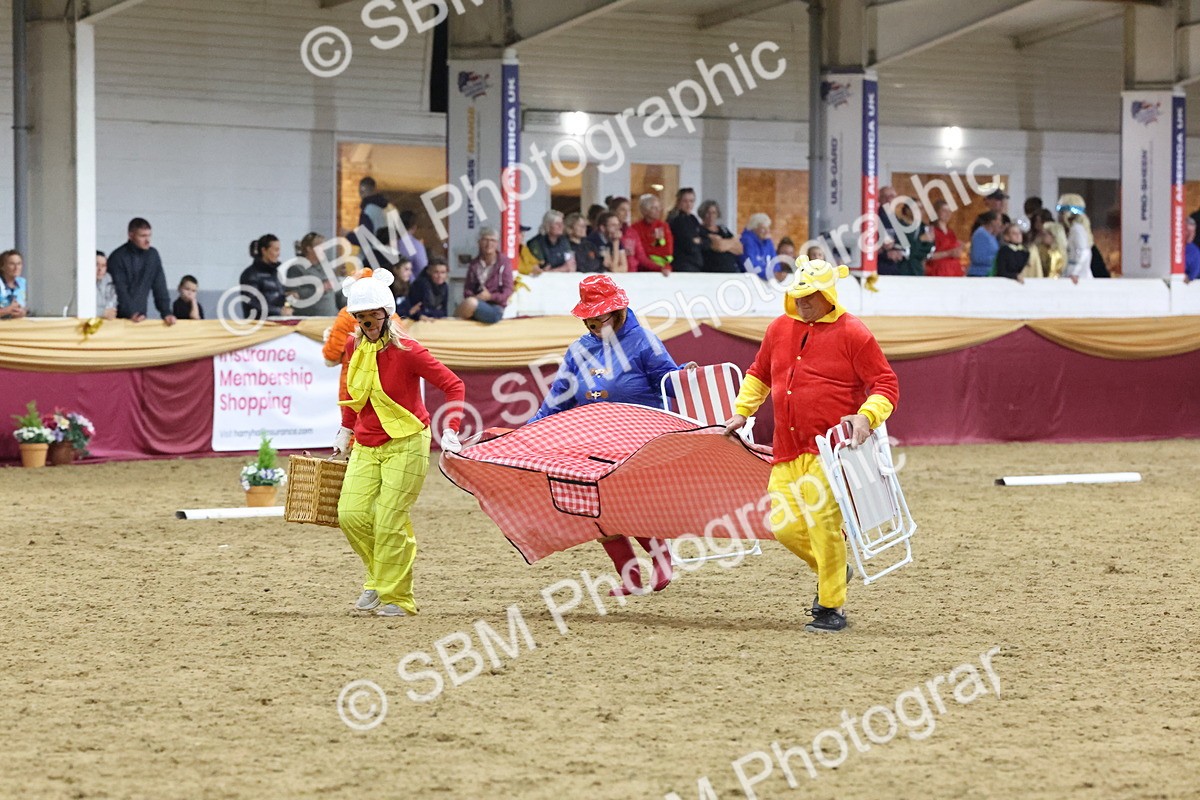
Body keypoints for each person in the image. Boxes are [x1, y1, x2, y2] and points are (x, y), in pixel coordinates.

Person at [724, 259, 899, 633]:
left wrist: (866, 418)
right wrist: (741, 412)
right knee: (783, 526)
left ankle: (830, 607)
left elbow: (886, 385)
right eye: (797, 295)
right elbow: (758, 374)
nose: (802, 302)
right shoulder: (777, 329)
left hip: (830, 452)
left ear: (827, 295)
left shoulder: (855, 333)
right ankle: (833, 568)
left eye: (809, 295)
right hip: (786, 449)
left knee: (822, 524)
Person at [529, 275, 698, 596]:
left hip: (640, 438)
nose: (594, 323)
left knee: (624, 500)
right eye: (589, 318)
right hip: (591, 439)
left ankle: (661, 557)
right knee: (591, 505)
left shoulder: (644, 341)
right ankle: (630, 577)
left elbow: (669, 383)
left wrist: (685, 376)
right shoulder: (578, 349)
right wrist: (528, 434)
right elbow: (558, 398)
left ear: (618, 311)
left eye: (600, 316)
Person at [332, 269, 466, 617]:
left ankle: (396, 597)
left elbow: (454, 386)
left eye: (371, 315)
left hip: (408, 442)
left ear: (387, 313)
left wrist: (450, 428)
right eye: (359, 316)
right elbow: (350, 391)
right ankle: (379, 577)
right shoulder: (352, 345)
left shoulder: (409, 350)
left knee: (388, 519)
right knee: (351, 515)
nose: (365, 322)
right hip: (366, 442)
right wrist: (346, 430)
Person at [107, 218, 176, 324]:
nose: (147, 240)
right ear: (130, 235)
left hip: (140, 317)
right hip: (118, 318)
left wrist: (166, 312)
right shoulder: (118, 257)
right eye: (142, 236)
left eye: (149, 235)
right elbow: (120, 290)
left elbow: (160, 287)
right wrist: (131, 313)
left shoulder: (153, 256)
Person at [458, 228, 515, 324]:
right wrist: (477, 297)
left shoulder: (504, 262)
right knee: (470, 303)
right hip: (476, 303)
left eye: (492, 240)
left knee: (470, 303)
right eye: (485, 240)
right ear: (479, 242)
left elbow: (508, 291)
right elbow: (467, 290)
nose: (489, 244)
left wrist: (490, 297)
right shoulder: (474, 264)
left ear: (497, 243)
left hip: (496, 308)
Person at [240, 235, 292, 319]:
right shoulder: (251, 274)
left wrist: (288, 296)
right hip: (259, 324)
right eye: (276, 250)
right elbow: (251, 302)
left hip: (277, 321)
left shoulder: (277, 272)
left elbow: (277, 294)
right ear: (264, 250)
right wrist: (278, 311)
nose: (278, 254)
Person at [288, 233, 338, 317]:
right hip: (309, 320)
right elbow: (291, 297)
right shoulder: (297, 268)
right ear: (309, 249)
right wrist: (319, 288)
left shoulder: (326, 266)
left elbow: (337, 291)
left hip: (332, 317)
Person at [630, 194, 674, 274]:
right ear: (644, 211)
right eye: (653, 208)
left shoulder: (664, 226)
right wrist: (655, 247)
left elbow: (668, 251)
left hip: (664, 269)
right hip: (642, 270)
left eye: (659, 207)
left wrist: (653, 248)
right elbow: (641, 253)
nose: (658, 210)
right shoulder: (635, 228)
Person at [607, 196, 652, 272]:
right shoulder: (608, 231)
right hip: (613, 272)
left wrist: (659, 267)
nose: (626, 213)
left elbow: (641, 256)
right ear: (614, 211)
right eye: (622, 210)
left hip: (632, 273)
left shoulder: (632, 232)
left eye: (628, 210)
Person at [1057, 193, 1094, 284]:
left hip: (1078, 278)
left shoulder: (1077, 230)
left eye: (1060, 212)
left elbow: (1084, 252)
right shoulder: (1075, 230)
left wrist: (1074, 273)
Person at [698, 200, 742, 273]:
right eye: (708, 213)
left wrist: (724, 243)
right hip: (712, 272)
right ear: (703, 214)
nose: (711, 216)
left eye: (714, 213)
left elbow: (739, 249)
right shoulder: (700, 230)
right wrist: (732, 242)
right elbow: (719, 246)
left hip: (730, 271)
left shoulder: (723, 229)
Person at [668, 188, 704, 272]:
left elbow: (704, 238)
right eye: (685, 201)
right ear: (679, 202)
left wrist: (699, 241)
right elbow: (688, 244)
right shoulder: (676, 219)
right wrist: (696, 241)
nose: (689, 204)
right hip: (683, 264)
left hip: (695, 263)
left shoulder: (693, 218)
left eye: (691, 201)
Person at [925, 200, 963, 277]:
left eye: (949, 211)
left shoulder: (951, 232)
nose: (948, 214)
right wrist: (948, 253)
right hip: (938, 271)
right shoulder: (931, 231)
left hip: (954, 270)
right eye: (944, 211)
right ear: (936, 212)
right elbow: (927, 255)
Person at [876, 186, 907, 274]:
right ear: (879, 199)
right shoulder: (872, 219)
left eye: (892, 196)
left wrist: (899, 252)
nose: (888, 199)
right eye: (885, 196)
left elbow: (906, 247)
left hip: (897, 269)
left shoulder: (900, 221)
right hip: (878, 268)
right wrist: (884, 251)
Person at [740, 213, 777, 280]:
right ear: (754, 229)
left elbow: (776, 264)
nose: (767, 231)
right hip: (748, 282)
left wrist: (776, 273)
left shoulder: (768, 241)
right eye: (763, 228)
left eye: (768, 227)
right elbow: (750, 267)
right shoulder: (746, 242)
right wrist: (770, 275)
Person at [968, 211, 1002, 277]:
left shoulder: (992, 236)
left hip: (989, 273)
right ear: (993, 222)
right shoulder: (980, 234)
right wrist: (997, 260)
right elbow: (977, 257)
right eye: (999, 220)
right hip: (979, 274)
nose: (1000, 223)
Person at [398, 210, 429, 276]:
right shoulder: (416, 246)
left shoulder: (389, 242)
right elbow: (422, 269)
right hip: (411, 284)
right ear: (414, 227)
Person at [0, 250, 27, 320]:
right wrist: (6, 311)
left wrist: (22, 312)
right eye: (12, 264)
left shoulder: (21, 282)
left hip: (14, 327)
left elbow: (22, 307)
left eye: (19, 264)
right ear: (2, 266)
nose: (16, 268)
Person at [95, 251, 118, 320]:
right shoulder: (82, 283)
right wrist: (102, 312)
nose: (100, 269)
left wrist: (109, 312)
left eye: (103, 266)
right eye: (96, 265)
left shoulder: (108, 278)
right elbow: (82, 309)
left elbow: (112, 303)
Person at [1186, 218, 1200, 282]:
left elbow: (1190, 279)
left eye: (1193, 232)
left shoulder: (1195, 252)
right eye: (1187, 231)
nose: (1190, 235)